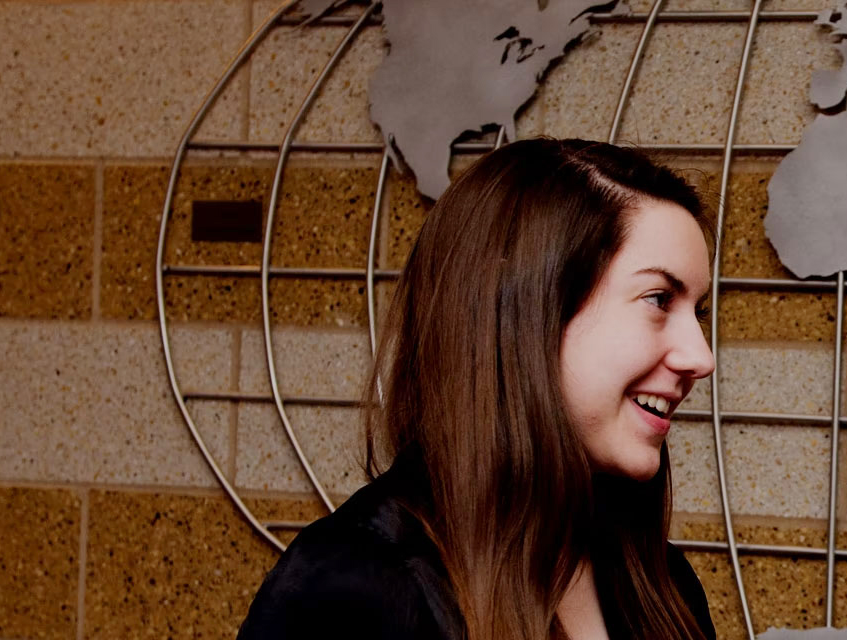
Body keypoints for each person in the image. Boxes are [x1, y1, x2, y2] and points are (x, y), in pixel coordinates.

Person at [238, 139, 719, 640]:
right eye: (659, 299)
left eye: (698, 312)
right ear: (524, 315)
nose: (701, 358)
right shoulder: (353, 592)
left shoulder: (661, 582)